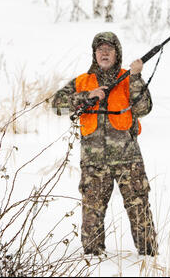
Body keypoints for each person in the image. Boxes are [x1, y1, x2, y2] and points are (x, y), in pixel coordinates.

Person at [52, 32, 158, 256]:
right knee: (91, 221)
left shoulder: (128, 78)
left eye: (109, 49)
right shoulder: (83, 81)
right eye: (100, 49)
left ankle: (149, 261)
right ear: (94, 54)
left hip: (129, 159)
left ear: (117, 53)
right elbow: (56, 106)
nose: (104, 53)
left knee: (140, 213)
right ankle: (93, 263)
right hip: (93, 163)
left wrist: (137, 77)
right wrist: (86, 96)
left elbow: (143, 109)